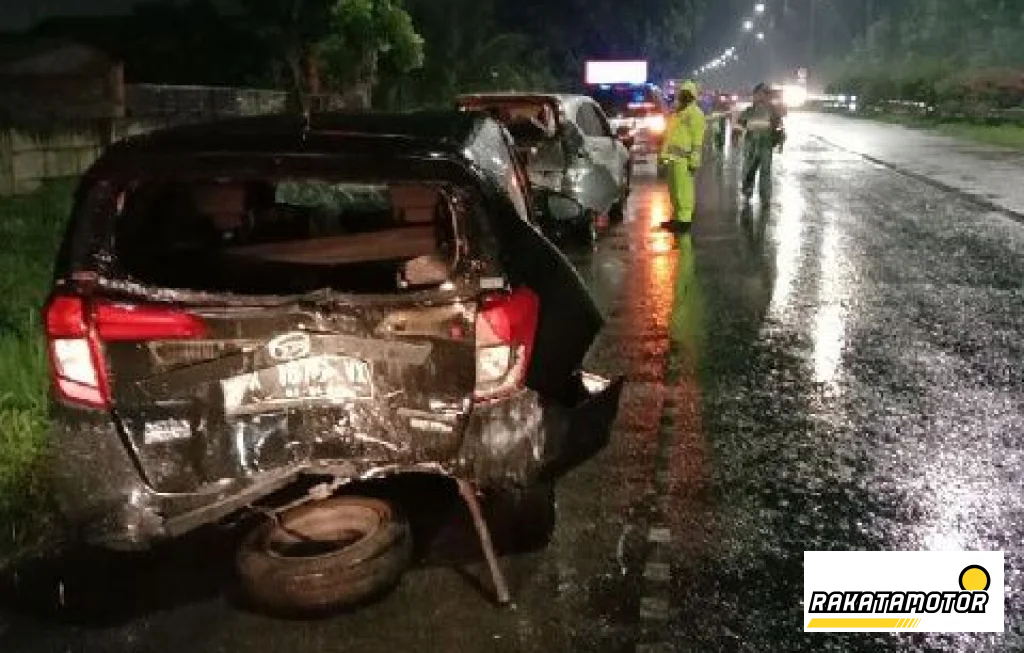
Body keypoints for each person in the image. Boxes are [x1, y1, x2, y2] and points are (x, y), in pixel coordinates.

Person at [658, 80, 706, 233]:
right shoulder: (678, 114)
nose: (682, 97)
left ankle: (684, 221)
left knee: (683, 192)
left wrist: (694, 160)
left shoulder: (695, 114)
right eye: (682, 94)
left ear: (692, 96)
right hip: (673, 160)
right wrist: (663, 155)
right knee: (674, 190)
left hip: (684, 160)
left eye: (686, 94)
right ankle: (677, 218)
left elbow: (697, 140)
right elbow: (669, 136)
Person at [737, 83, 786, 201]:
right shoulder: (749, 110)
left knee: (765, 170)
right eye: (759, 94)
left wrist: (780, 142)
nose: (761, 96)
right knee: (749, 168)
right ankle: (748, 188)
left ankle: (765, 195)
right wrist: (736, 135)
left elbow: (780, 127)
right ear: (755, 95)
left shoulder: (774, 111)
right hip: (751, 145)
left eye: (764, 94)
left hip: (766, 145)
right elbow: (740, 124)